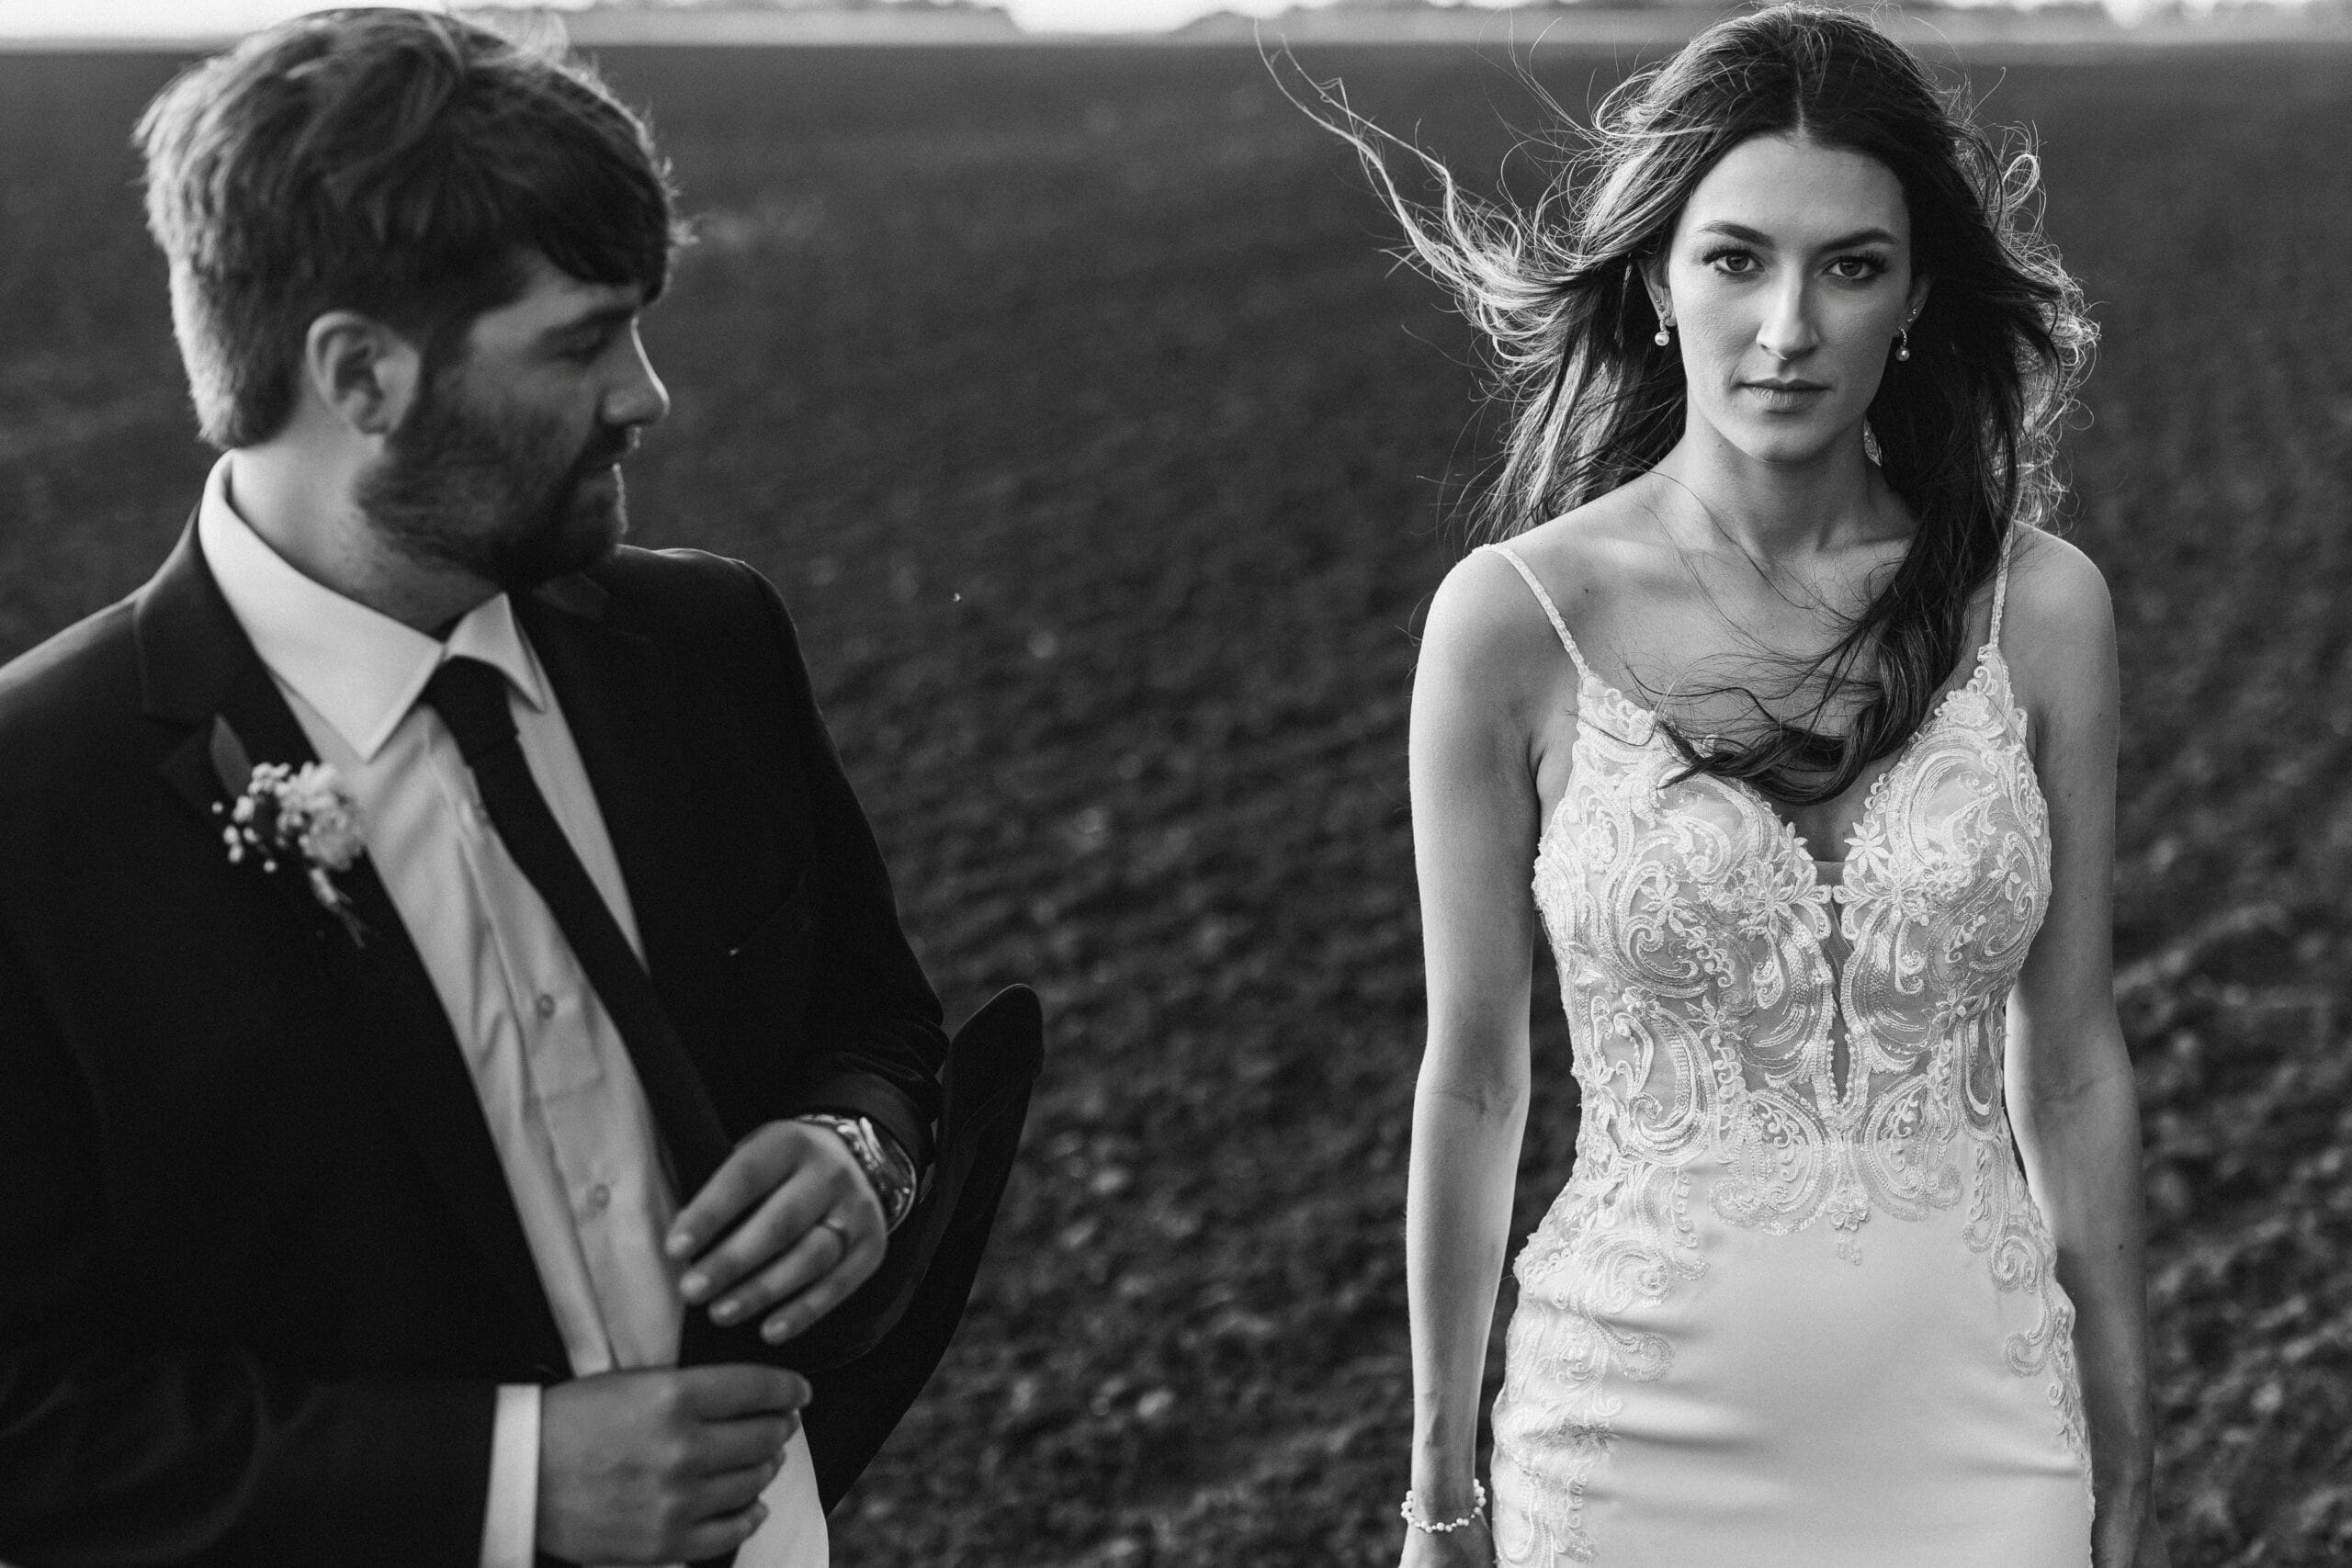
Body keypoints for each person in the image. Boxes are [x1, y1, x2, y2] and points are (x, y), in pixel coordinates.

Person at [0, 10, 1037, 1566]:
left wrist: (857, 1153)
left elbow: (875, 1020)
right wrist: (508, 1484)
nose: (647, 395)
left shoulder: (708, 644)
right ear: (359, 372)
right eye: (581, 341)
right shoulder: (36, 807)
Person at [1322, 7, 2163, 1565]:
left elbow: (2073, 1064)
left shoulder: (2039, 612)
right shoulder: (1514, 624)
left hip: (1986, 1432)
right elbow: (1478, 1080)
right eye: (1735, 260)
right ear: (1655, 280)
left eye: (1850, 266)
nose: (1789, 325)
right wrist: (1440, 1491)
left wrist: (2131, 1467)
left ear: (1915, 298)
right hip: (1628, 1445)